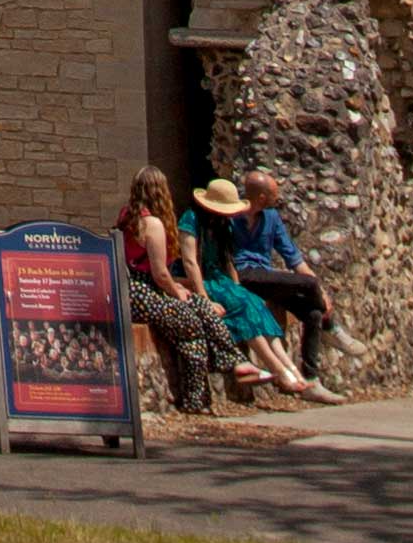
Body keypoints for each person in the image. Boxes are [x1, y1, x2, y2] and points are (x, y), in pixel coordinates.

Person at [187, 181, 312, 396]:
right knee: (243, 306)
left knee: (253, 302)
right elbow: (191, 262)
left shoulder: (223, 224)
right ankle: (279, 370)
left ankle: (290, 367)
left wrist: (236, 287)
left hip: (221, 279)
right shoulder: (191, 220)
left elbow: (228, 260)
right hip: (205, 280)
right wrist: (204, 297)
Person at [117, 174, 226, 414]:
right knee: (191, 326)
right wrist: (177, 292)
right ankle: (197, 398)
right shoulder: (152, 224)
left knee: (200, 304)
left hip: (136, 289)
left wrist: (182, 290)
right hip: (143, 291)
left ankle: (231, 359)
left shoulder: (127, 216)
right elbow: (160, 274)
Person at [230, 170, 337, 387]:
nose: (278, 198)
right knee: (310, 282)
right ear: (261, 197)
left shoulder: (272, 218)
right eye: (274, 193)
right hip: (245, 275)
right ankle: (333, 329)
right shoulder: (232, 219)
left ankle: (311, 378)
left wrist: (322, 295)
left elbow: (294, 258)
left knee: (313, 313)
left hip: (265, 278)